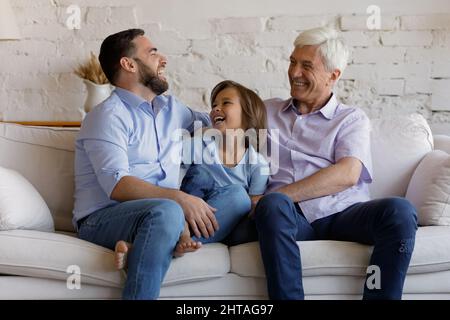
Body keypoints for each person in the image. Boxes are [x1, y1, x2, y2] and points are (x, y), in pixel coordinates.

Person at [244, 26, 417, 300]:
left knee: (400, 210)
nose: (294, 72)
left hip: (343, 214)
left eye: (306, 66)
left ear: (333, 75)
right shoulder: (266, 112)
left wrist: (278, 193)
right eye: (292, 62)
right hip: (287, 218)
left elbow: (348, 173)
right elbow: (222, 122)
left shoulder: (350, 119)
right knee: (274, 205)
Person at [73, 29, 220, 300]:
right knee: (168, 212)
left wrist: (253, 110)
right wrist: (179, 199)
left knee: (235, 198)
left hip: (161, 214)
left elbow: (214, 122)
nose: (163, 59)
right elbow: (117, 185)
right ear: (128, 64)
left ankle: (149, 244)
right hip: (104, 218)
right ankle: (163, 239)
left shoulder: (173, 109)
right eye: (152, 53)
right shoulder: (107, 116)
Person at [114, 80, 270, 269]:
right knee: (201, 175)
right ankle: (178, 237)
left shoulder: (257, 163)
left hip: (225, 220)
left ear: (248, 114)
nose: (216, 109)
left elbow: (254, 205)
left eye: (226, 103)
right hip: (189, 214)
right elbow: (164, 167)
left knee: (240, 198)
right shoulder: (198, 146)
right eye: (214, 105)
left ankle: (153, 248)